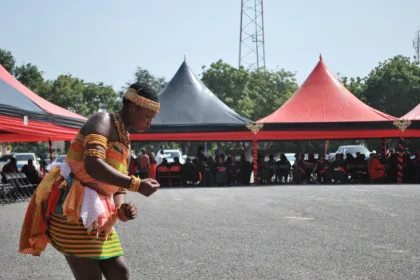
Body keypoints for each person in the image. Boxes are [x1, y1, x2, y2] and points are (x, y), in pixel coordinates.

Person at [19, 82, 161, 280]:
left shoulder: (125, 139)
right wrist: (136, 184)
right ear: (132, 106)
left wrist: (121, 210)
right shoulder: (103, 121)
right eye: (147, 116)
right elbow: (92, 165)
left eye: (152, 118)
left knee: (120, 273)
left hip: (99, 216)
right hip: (73, 210)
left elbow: (117, 187)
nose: (149, 122)